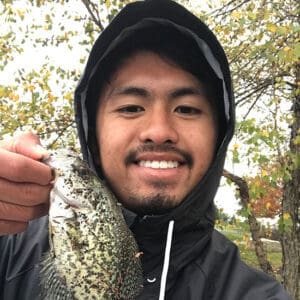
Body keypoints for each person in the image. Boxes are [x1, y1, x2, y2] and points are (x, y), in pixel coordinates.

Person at [0, 0, 292, 299]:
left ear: (219, 135)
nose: (159, 131)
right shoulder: (9, 244)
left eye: (187, 109)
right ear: (93, 133)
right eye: (131, 107)